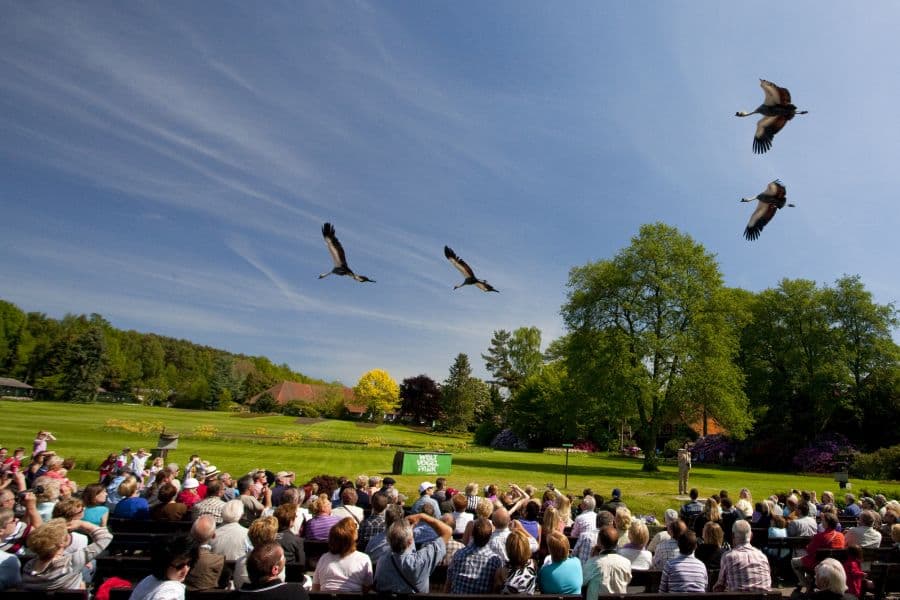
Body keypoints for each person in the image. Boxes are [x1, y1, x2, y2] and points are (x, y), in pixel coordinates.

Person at [21, 517, 112, 590]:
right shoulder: (70, 563)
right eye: (67, 533)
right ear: (61, 543)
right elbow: (106, 537)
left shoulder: (28, 567)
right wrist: (82, 524)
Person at [374, 511, 451, 594]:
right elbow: (448, 531)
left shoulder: (382, 561)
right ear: (410, 541)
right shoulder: (420, 561)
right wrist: (422, 516)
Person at [129, 534, 199, 600]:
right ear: (164, 565)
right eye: (179, 566)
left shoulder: (148, 580)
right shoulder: (173, 590)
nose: (186, 569)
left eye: (189, 563)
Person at [312, 517, 373, 592]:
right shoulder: (364, 559)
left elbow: (315, 588)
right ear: (353, 538)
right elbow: (367, 587)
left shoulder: (324, 558)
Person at [448, 517, 503, 593]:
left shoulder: (458, 554)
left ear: (472, 534)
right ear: (490, 536)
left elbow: (448, 584)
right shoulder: (495, 560)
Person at [792, 512, 846, 592]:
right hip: (835, 563)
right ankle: (809, 581)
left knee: (793, 561)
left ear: (827, 523)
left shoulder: (820, 536)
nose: (821, 522)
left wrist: (808, 547)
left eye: (823, 521)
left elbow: (810, 551)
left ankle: (805, 583)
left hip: (819, 563)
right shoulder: (841, 536)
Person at [237, 542, 309, 600]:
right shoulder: (295, 592)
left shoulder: (234, 596)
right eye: (283, 557)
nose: (285, 559)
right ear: (275, 569)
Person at [714, 519, 771, 592]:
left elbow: (720, 586)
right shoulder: (762, 556)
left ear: (733, 535)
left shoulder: (728, 557)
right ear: (751, 535)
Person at [583, 526, 632, 599]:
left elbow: (583, 582)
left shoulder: (593, 562)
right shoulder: (626, 563)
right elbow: (628, 580)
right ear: (616, 543)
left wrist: (592, 558)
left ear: (599, 542)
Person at [184, 515, 225, 592]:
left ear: (191, 533)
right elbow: (223, 584)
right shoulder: (219, 560)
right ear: (213, 536)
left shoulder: (179, 558)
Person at [493, 528, 536, 594]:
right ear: (526, 547)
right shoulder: (533, 565)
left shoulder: (501, 572)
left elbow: (495, 593)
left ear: (508, 549)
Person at [0, 509, 22, 590]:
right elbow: (15, 587)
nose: (17, 520)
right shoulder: (9, 560)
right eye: (13, 520)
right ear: (1, 531)